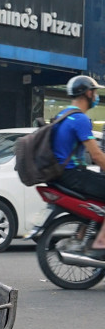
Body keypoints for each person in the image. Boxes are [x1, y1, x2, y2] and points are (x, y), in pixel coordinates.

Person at [50, 75, 105, 258]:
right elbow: (96, 155)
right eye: (95, 92)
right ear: (88, 93)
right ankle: (100, 245)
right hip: (73, 174)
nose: (96, 96)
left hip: (60, 174)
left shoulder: (62, 115)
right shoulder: (80, 119)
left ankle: (83, 235)